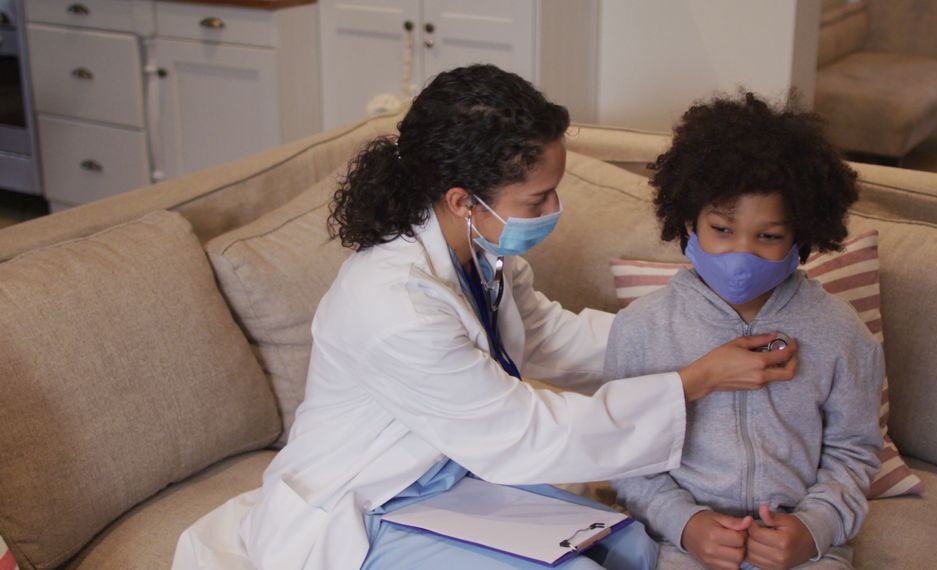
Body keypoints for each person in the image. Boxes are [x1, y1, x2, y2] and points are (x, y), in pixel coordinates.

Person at [171, 66, 799, 570]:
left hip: (447, 477)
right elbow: (521, 434)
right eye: (538, 198)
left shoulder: (480, 253)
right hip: (368, 505)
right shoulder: (393, 306)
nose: (556, 207)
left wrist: (693, 338)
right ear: (460, 200)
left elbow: (553, 337)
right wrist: (694, 382)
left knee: (629, 544)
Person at [605, 93, 884, 570]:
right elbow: (626, 457)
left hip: (803, 550)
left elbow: (854, 452)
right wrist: (686, 524)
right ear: (690, 223)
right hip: (682, 546)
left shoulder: (840, 331)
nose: (742, 253)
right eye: (723, 229)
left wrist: (813, 529)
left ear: (802, 236)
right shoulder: (642, 328)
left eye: (769, 236)